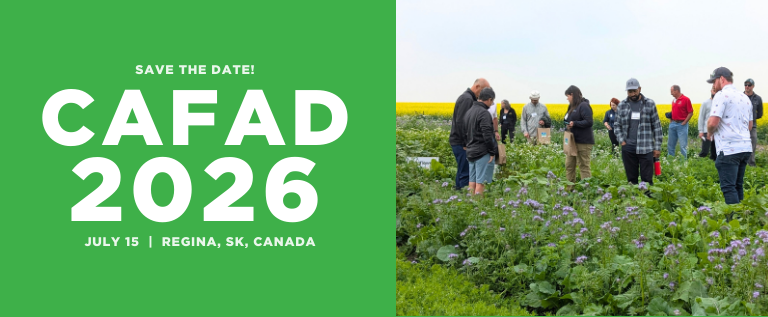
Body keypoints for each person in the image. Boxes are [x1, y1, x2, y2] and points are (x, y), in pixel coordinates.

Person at [706, 67, 753, 205]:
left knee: (728, 188)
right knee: (737, 185)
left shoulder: (721, 95)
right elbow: (749, 126)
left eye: (714, 82)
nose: (714, 85)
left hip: (729, 149)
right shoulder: (745, 97)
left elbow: (713, 122)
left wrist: (709, 132)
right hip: (745, 147)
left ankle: (733, 224)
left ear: (721, 79)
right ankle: (742, 220)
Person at [614, 78, 662, 186]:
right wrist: (622, 140)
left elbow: (657, 126)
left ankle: (647, 201)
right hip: (628, 147)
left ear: (639, 89)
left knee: (647, 180)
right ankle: (634, 200)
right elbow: (617, 125)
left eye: (634, 91)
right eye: (630, 92)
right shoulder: (622, 105)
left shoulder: (649, 104)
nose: (632, 94)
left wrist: (657, 147)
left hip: (646, 147)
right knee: (631, 180)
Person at [449, 78, 490, 190]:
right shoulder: (467, 99)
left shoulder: (469, 98)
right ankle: (464, 198)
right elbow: (462, 122)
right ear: (477, 87)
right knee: (466, 172)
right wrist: (466, 143)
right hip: (461, 143)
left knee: (463, 169)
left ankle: (458, 192)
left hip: (461, 142)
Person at [463, 87, 498, 196]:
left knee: (472, 181)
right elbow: (487, 134)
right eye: (492, 102)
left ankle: (470, 204)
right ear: (489, 99)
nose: (491, 104)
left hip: (471, 151)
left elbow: (464, 131)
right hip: (482, 152)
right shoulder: (484, 113)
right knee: (481, 182)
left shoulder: (469, 112)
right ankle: (478, 206)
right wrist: (492, 152)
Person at [563, 85, 594, 189]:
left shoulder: (584, 105)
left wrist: (575, 123)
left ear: (572, 94)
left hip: (583, 141)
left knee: (583, 166)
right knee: (569, 165)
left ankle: (587, 192)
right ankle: (569, 189)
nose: (567, 98)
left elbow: (589, 122)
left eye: (568, 96)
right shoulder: (571, 106)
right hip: (572, 141)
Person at [668, 85, 694, 159]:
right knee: (670, 144)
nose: (671, 94)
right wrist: (671, 119)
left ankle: (683, 162)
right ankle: (670, 160)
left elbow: (690, 112)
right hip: (673, 124)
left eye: (672, 92)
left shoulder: (686, 99)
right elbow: (673, 111)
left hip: (681, 124)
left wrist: (684, 122)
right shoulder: (673, 100)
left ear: (677, 91)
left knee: (683, 145)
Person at [744, 78, 763, 167]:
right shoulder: (740, 96)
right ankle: (742, 163)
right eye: (746, 85)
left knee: (752, 144)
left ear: (753, 86)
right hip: (741, 125)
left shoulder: (758, 99)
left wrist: (752, 119)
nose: (747, 87)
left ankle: (751, 163)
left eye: (749, 85)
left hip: (753, 126)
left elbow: (760, 113)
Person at [698, 87, 716, 160]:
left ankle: (712, 167)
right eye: (714, 91)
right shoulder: (705, 103)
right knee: (704, 151)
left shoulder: (719, 103)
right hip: (706, 130)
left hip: (716, 131)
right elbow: (701, 117)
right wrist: (701, 131)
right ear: (711, 91)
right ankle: (698, 163)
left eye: (716, 91)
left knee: (714, 153)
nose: (715, 93)